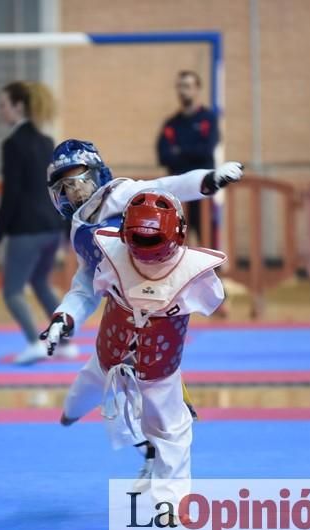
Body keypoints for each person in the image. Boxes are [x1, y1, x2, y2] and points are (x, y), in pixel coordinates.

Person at [39, 138, 242, 489]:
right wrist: (63, 319)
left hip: (160, 310)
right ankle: (92, 422)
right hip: (119, 318)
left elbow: (167, 186)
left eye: (78, 181)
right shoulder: (80, 232)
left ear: (97, 175)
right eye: (63, 187)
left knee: (158, 405)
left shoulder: (123, 195)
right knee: (86, 394)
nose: (72, 193)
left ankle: (164, 477)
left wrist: (207, 181)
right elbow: (84, 285)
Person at [0, 81, 69, 365]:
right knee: (39, 282)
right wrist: (64, 228)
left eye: (3, 105)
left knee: (12, 292)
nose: (0, 111)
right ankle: (66, 343)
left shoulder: (13, 144)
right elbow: (57, 189)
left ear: (18, 107)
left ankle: (35, 343)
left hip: (27, 228)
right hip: (51, 226)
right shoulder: (46, 142)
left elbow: (11, 193)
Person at [156, 71, 220, 247]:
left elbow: (206, 151)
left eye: (187, 86)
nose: (183, 91)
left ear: (197, 89)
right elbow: (163, 156)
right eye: (180, 86)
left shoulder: (208, 119)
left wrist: (180, 151)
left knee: (207, 239)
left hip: (203, 191)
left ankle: (214, 273)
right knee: (174, 240)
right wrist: (190, 153)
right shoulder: (171, 124)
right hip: (177, 194)